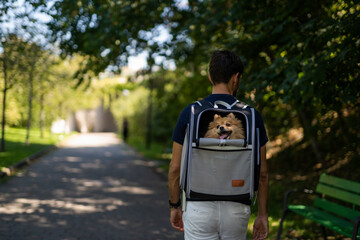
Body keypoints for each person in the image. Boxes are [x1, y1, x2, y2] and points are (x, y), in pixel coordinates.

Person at [168, 50, 269, 240]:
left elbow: (175, 169)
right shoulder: (252, 116)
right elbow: (262, 174)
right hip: (237, 209)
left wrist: (175, 206)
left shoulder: (190, 113)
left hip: (198, 208)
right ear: (236, 78)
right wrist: (262, 215)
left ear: (210, 77)